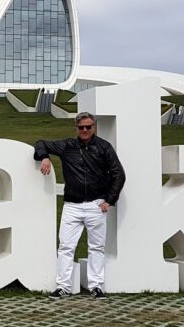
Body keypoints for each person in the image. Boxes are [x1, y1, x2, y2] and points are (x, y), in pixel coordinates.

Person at [34, 111, 125, 300]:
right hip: (72, 206)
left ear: (94, 127)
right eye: (81, 127)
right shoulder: (67, 146)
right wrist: (44, 157)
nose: (85, 130)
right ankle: (63, 287)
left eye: (88, 127)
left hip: (96, 205)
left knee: (96, 247)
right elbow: (40, 142)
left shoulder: (104, 147)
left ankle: (96, 286)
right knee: (66, 247)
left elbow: (119, 173)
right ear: (76, 128)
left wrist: (109, 200)